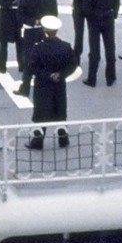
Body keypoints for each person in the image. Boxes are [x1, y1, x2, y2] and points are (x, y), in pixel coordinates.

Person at [23, 14, 75, 150]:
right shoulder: (65, 46)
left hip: (43, 85)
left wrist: (48, 75)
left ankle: (38, 142)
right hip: (59, 84)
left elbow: (33, 67)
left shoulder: (38, 48)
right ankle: (63, 139)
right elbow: (72, 64)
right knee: (60, 111)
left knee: (41, 113)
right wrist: (61, 74)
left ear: (45, 30)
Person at [82, 0, 120, 88]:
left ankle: (92, 78)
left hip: (95, 20)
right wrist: (113, 15)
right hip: (108, 19)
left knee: (94, 50)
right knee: (110, 48)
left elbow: (86, 6)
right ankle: (111, 77)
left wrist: (90, 18)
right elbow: (116, 3)